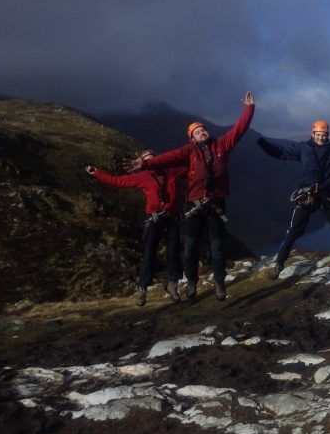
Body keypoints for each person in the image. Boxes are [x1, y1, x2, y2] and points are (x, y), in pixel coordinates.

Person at [130, 92, 255, 301]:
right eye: (197, 131)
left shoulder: (222, 145)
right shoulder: (188, 151)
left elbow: (239, 129)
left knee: (217, 248)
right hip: (193, 205)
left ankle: (219, 282)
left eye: (203, 129)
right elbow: (168, 158)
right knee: (190, 248)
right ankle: (191, 282)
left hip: (216, 203)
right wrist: (147, 163)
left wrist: (249, 109)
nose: (202, 132)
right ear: (192, 137)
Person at [257, 120, 330, 278]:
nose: (321, 138)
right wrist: (265, 145)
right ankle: (278, 265)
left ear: (328, 135)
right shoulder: (303, 148)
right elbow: (281, 152)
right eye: (318, 135)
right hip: (308, 196)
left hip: (326, 196)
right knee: (293, 231)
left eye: (324, 135)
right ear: (312, 134)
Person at [84, 150, 187, 306]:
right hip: (154, 219)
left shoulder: (171, 172)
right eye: (147, 159)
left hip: (172, 217)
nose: (151, 161)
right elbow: (117, 181)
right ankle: (142, 289)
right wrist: (96, 172)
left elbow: (189, 164)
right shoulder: (142, 177)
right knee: (149, 254)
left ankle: (172, 285)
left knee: (173, 252)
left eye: (153, 158)